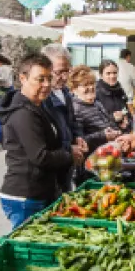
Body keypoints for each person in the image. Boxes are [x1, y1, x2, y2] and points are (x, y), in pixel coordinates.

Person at [0, 54, 86, 228]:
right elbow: (40, 156)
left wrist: (71, 146)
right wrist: (69, 155)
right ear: (23, 78)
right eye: (40, 79)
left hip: (40, 191)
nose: (46, 85)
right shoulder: (23, 113)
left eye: (48, 78)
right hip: (25, 195)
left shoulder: (37, 106)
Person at [40, 44, 85, 193]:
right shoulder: (41, 98)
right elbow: (46, 139)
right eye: (59, 72)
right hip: (49, 174)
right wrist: (68, 149)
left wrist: (78, 137)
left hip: (66, 167)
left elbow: (72, 122)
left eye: (67, 71)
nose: (65, 77)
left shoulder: (65, 92)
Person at [69, 65, 120, 156]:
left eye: (92, 83)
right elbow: (79, 141)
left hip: (108, 153)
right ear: (74, 89)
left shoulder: (97, 103)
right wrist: (103, 136)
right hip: (92, 158)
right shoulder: (76, 109)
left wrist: (117, 130)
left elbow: (108, 124)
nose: (91, 87)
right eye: (85, 85)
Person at [95, 60, 133, 132]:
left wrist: (127, 122)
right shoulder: (96, 93)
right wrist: (113, 119)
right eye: (108, 73)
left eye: (115, 73)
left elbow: (127, 112)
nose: (112, 76)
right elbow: (93, 119)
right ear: (101, 75)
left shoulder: (120, 90)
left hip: (122, 134)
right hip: (105, 136)